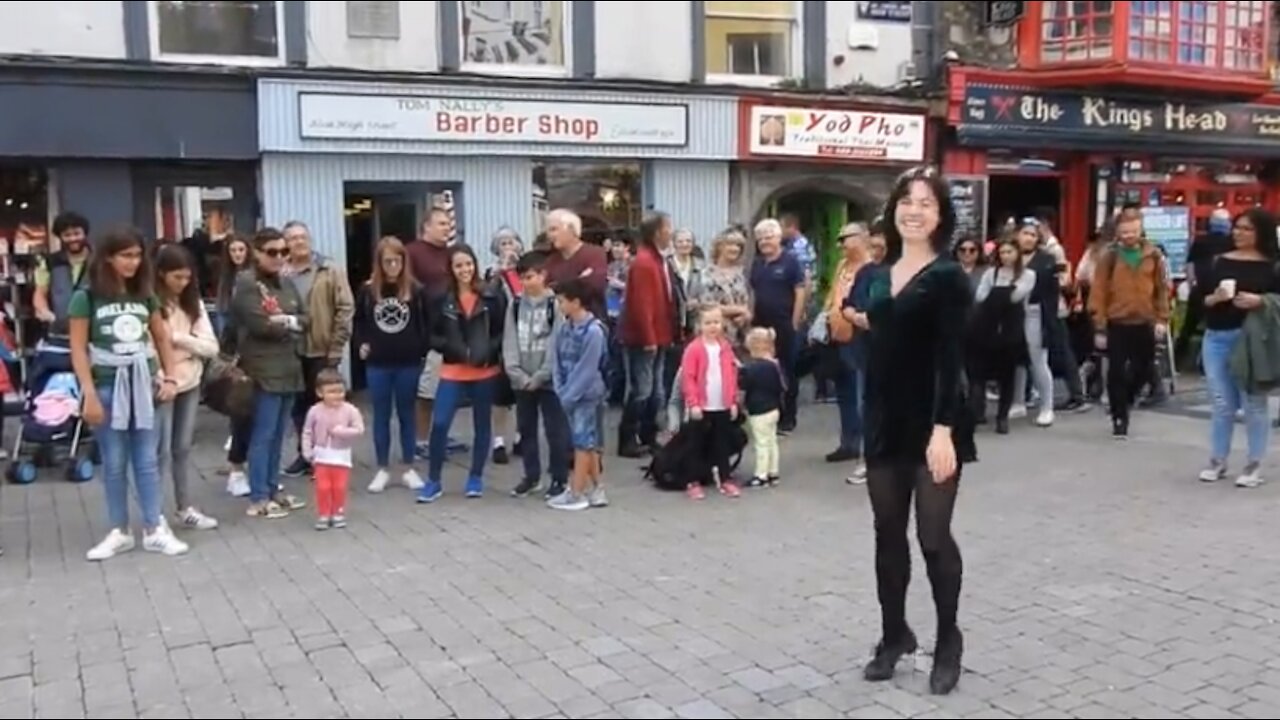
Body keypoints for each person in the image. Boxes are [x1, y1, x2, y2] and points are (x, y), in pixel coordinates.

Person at [860, 166, 973, 695]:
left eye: (926, 202)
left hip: (934, 423)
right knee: (887, 534)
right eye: (907, 200)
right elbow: (882, 336)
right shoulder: (880, 272)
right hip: (884, 419)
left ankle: (948, 640)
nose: (914, 209)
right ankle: (893, 635)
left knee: (931, 537)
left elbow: (952, 359)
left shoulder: (949, 276)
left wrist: (944, 428)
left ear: (941, 215)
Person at [69, 227, 186, 560]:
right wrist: (88, 393)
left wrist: (171, 378)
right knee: (115, 461)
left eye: (137, 255)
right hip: (107, 382)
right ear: (108, 257)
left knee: (147, 460)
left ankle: (153, 527)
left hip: (143, 381)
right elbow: (78, 350)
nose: (133, 262)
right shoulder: (87, 297)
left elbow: (161, 336)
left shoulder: (144, 294)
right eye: (126, 255)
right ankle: (118, 529)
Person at [1196, 208, 1279, 487]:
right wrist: (1215, 297)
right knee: (1221, 403)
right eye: (1237, 227)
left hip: (1251, 340)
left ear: (1261, 233)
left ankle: (1254, 463)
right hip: (1217, 335)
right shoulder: (1220, 261)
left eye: (1247, 229)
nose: (1239, 233)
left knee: (1253, 402)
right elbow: (1201, 300)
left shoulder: (1272, 265)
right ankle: (1218, 459)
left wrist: (1261, 301)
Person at [231, 228, 309, 519]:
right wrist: (289, 323)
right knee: (262, 434)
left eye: (283, 252)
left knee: (279, 434)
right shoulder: (247, 283)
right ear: (257, 252)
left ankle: (274, 487)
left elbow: (306, 319)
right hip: (262, 370)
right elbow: (260, 325)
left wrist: (286, 320)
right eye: (272, 252)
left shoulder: (286, 283)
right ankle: (259, 496)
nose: (279, 257)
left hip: (289, 368)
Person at [420, 245, 505, 503]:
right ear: (451, 269)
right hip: (453, 370)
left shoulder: (491, 296)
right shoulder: (440, 298)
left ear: (475, 265)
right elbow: (431, 334)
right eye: (458, 266)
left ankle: (475, 477)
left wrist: (487, 350)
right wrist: (450, 347)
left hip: (484, 370)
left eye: (468, 264)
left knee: (481, 426)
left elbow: (501, 332)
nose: (464, 270)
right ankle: (433, 480)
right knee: (441, 424)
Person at [153, 244, 221, 530]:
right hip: (161, 383)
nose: (183, 283)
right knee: (159, 452)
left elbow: (211, 347)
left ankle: (184, 507)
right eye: (176, 277)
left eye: (186, 277)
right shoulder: (151, 303)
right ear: (161, 274)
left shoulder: (193, 304)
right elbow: (151, 346)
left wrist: (179, 338)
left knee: (182, 448)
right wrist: (161, 374)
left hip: (190, 381)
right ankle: (154, 514)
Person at [354, 236, 429, 493]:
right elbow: (359, 322)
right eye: (388, 261)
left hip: (408, 362)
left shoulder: (415, 290)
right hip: (378, 363)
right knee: (381, 416)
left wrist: (421, 349)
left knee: (408, 415)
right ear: (380, 263)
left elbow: (424, 324)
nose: (393, 266)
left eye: (397, 261)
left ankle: (408, 467)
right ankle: (382, 468)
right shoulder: (368, 290)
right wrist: (361, 344)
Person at [280, 221, 354, 479]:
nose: (299, 242)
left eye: (302, 237)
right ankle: (305, 454)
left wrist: (337, 346)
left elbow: (345, 308)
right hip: (290, 351)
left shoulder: (329, 269)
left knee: (326, 407)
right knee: (299, 408)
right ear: (285, 243)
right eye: (292, 238)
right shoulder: (281, 274)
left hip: (321, 349)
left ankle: (328, 457)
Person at [1088, 212, 1170, 439]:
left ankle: (1128, 399)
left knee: (1143, 368)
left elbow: (1161, 289)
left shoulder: (1153, 255)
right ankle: (1119, 417)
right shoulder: (1110, 257)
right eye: (1124, 232)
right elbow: (1098, 291)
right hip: (1116, 321)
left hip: (1144, 320)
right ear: (1117, 233)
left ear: (1141, 230)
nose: (1129, 236)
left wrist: (1162, 318)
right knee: (1115, 372)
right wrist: (1100, 326)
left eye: (1133, 231)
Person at [503, 250, 571, 499]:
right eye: (523, 277)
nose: (526, 282)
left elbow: (557, 342)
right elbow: (509, 340)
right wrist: (516, 373)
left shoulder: (555, 305)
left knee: (556, 430)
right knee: (526, 429)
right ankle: (531, 477)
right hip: (522, 379)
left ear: (543, 275)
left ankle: (559, 478)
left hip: (549, 380)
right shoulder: (516, 304)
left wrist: (542, 374)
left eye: (531, 276)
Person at [549, 278, 608, 511]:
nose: (559, 305)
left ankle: (576, 491)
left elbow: (588, 368)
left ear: (576, 302)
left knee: (582, 443)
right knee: (588, 442)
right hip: (568, 394)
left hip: (587, 395)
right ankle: (597, 488)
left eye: (562, 301)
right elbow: (556, 360)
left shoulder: (594, 331)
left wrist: (568, 395)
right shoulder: (565, 328)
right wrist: (559, 386)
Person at [679, 306, 742, 500]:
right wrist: (693, 403)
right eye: (708, 323)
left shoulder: (725, 348)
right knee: (695, 444)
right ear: (699, 325)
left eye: (716, 322)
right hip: (701, 405)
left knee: (721, 443)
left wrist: (733, 401)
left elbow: (732, 375)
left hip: (721, 404)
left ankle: (725, 478)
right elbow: (688, 378)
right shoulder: (694, 349)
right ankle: (692, 480)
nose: (713, 327)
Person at [973, 238, 1035, 435]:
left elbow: (1017, 296)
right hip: (988, 326)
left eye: (1010, 252)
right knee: (979, 371)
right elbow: (980, 296)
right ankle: (977, 411)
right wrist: (1001, 294)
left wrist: (998, 294)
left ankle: (1002, 416)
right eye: (1003, 252)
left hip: (1011, 327)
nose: (1006, 256)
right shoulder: (991, 273)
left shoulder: (1028, 274)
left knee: (1007, 374)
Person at [301, 369, 365, 529]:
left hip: (341, 455)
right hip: (321, 455)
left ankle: (338, 512)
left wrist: (342, 432)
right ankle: (324, 513)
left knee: (339, 486)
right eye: (331, 392)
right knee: (323, 486)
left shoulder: (350, 410)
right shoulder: (314, 411)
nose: (337, 395)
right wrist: (307, 450)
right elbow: (307, 431)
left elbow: (359, 429)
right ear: (320, 393)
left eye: (340, 391)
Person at [739, 327, 784, 487]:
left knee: (761, 443)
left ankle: (761, 474)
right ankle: (773, 472)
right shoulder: (775, 366)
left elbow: (744, 384)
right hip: (773, 408)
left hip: (759, 410)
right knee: (772, 441)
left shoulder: (753, 368)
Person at [34, 211, 91, 336]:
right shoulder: (49, 262)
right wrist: (45, 313)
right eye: (67, 235)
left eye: (77, 233)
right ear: (60, 237)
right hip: (60, 328)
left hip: (93, 328)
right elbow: (40, 293)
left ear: (84, 233)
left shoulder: (99, 260)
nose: (73, 239)